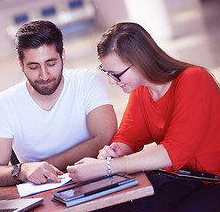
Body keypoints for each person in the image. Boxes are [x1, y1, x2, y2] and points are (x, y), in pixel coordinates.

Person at [67, 22, 220, 211]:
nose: (111, 82)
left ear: (139, 62)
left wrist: (107, 167)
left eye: (116, 74)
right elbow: (128, 137)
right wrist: (115, 152)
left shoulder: (194, 80)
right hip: (182, 178)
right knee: (133, 205)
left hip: (213, 181)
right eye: (106, 72)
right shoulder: (141, 92)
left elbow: (173, 151)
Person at [0, 20, 117, 187]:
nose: (44, 75)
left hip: (95, 182)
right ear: (21, 64)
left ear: (63, 56)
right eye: (34, 67)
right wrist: (23, 170)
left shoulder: (86, 81)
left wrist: (48, 164)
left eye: (51, 63)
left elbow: (105, 137)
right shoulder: (4, 103)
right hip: (44, 196)